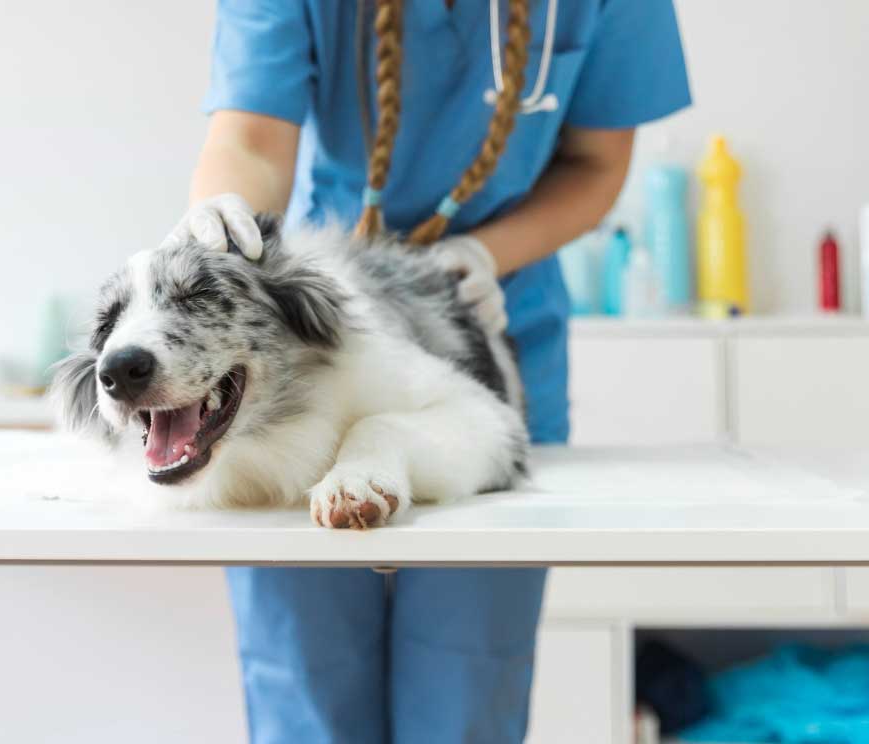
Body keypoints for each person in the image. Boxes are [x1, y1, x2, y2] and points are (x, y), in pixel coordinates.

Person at [161, 1, 690, 741]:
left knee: (466, 688)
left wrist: (486, 256)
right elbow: (250, 137)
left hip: (489, 335)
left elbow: (597, 165)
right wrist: (225, 219)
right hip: (317, 357)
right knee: (307, 684)